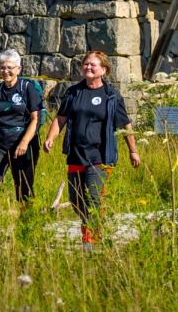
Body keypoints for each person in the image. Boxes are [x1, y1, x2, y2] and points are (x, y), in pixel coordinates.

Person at [42, 51, 140, 246]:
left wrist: (133, 150)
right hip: (76, 154)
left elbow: (125, 124)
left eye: (92, 65)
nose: (87, 67)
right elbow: (61, 118)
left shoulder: (111, 95)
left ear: (103, 70)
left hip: (100, 156)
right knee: (76, 200)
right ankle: (93, 228)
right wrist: (50, 138)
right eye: (86, 64)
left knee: (93, 199)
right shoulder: (73, 92)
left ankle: (91, 241)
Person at [0, 50, 42, 235]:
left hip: (23, 144)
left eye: (10, 68)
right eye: (3, 67)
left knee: (23, 186)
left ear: (18, 69)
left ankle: (26, 224)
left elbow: (36, 119)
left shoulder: (27, 88)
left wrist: (25, 143)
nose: (6, 71)